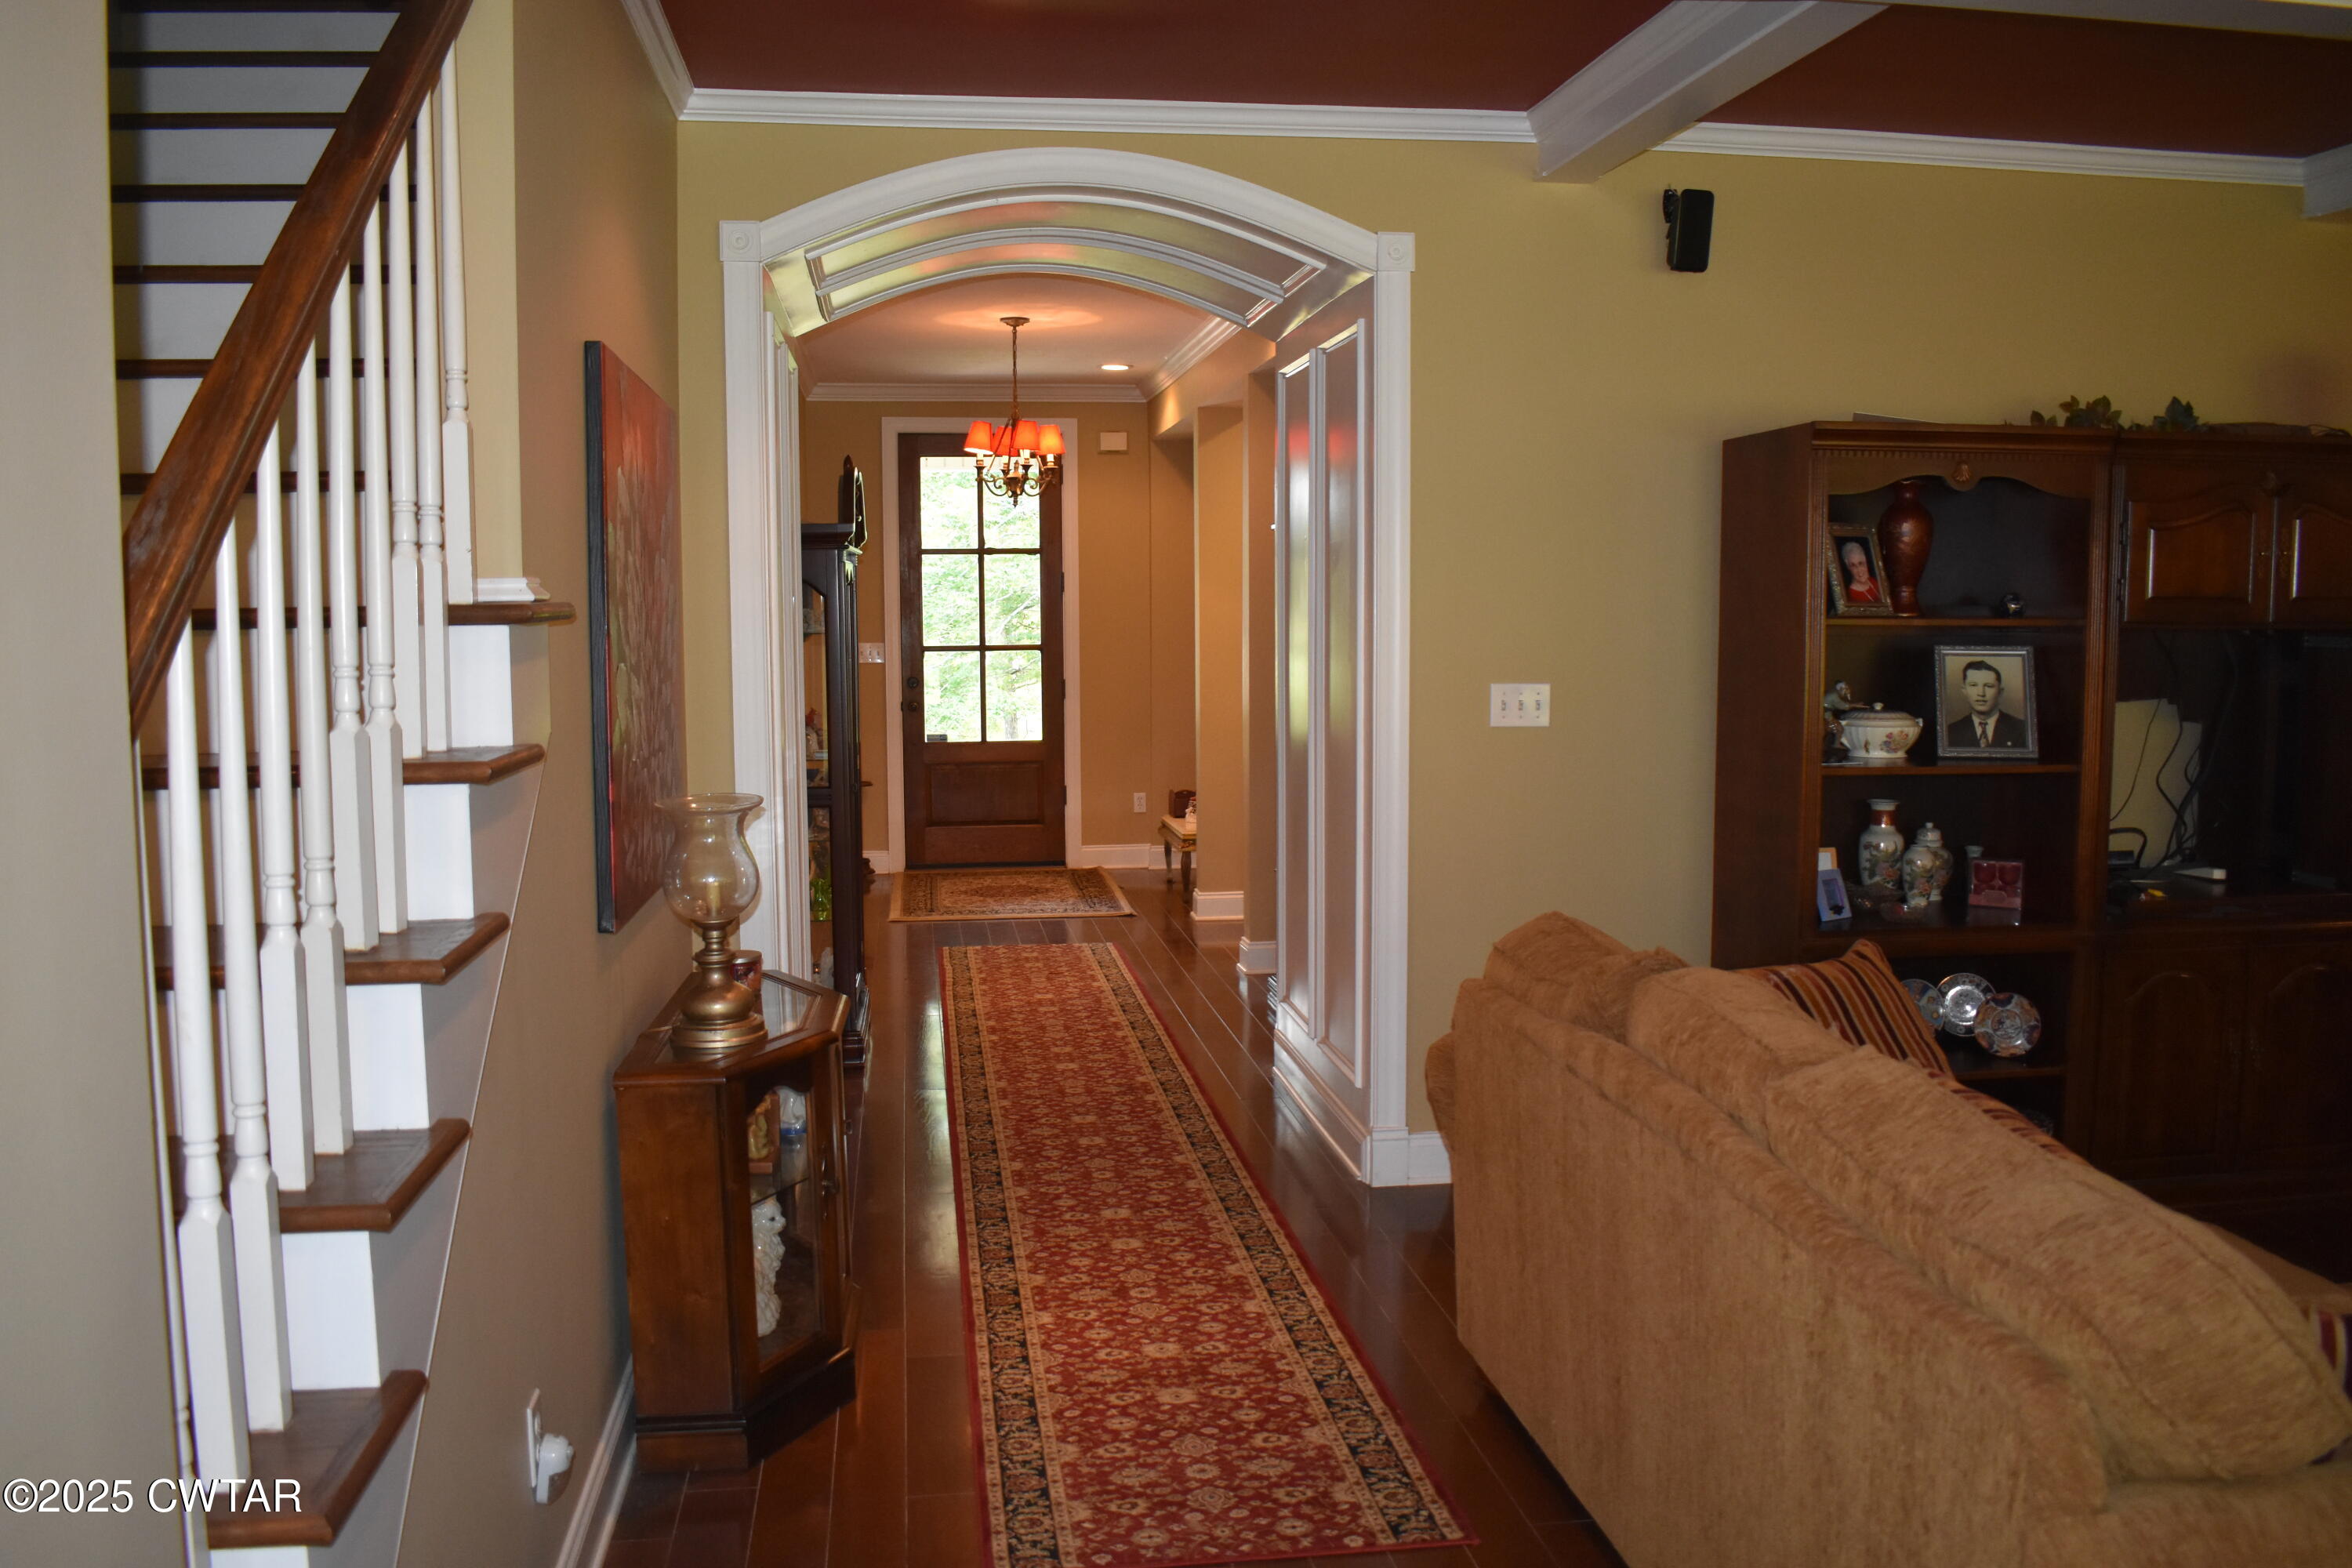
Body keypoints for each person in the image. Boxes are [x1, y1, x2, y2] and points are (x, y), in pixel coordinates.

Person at [1944, 659, 2029, 750]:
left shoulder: (2022, 729)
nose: (1981, 693)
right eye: (1973, 685)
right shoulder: (1950, 732)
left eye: (1989, 686)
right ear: (1964, 691)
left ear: (2000, 692)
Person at [1838, 540, 1882, 604]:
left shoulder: (1873, 581)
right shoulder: (1852, 594)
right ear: (1848, 568)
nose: (1859, 570)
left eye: (1861, 563)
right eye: (1853, 566)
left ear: (1866, 562)